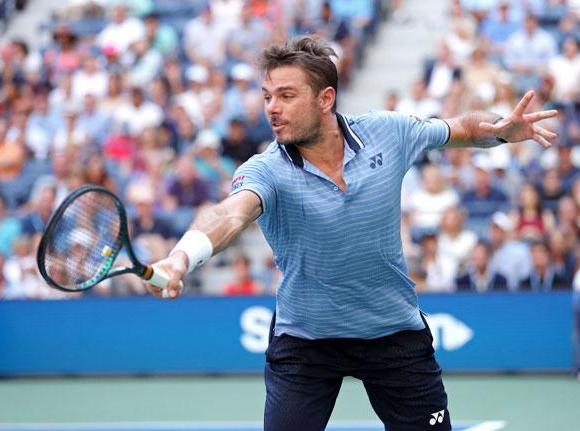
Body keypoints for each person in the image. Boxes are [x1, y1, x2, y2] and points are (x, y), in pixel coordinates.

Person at [148, 36, 557, 431]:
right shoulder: (264, 169)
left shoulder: (387, 132)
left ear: (326, 99)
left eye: (287, 96)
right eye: (268, 95)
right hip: (306, 341)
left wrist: (502, 131)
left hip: (394, 333)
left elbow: (460, 129)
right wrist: (184, 255)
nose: (272, 108)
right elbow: (229, 214)